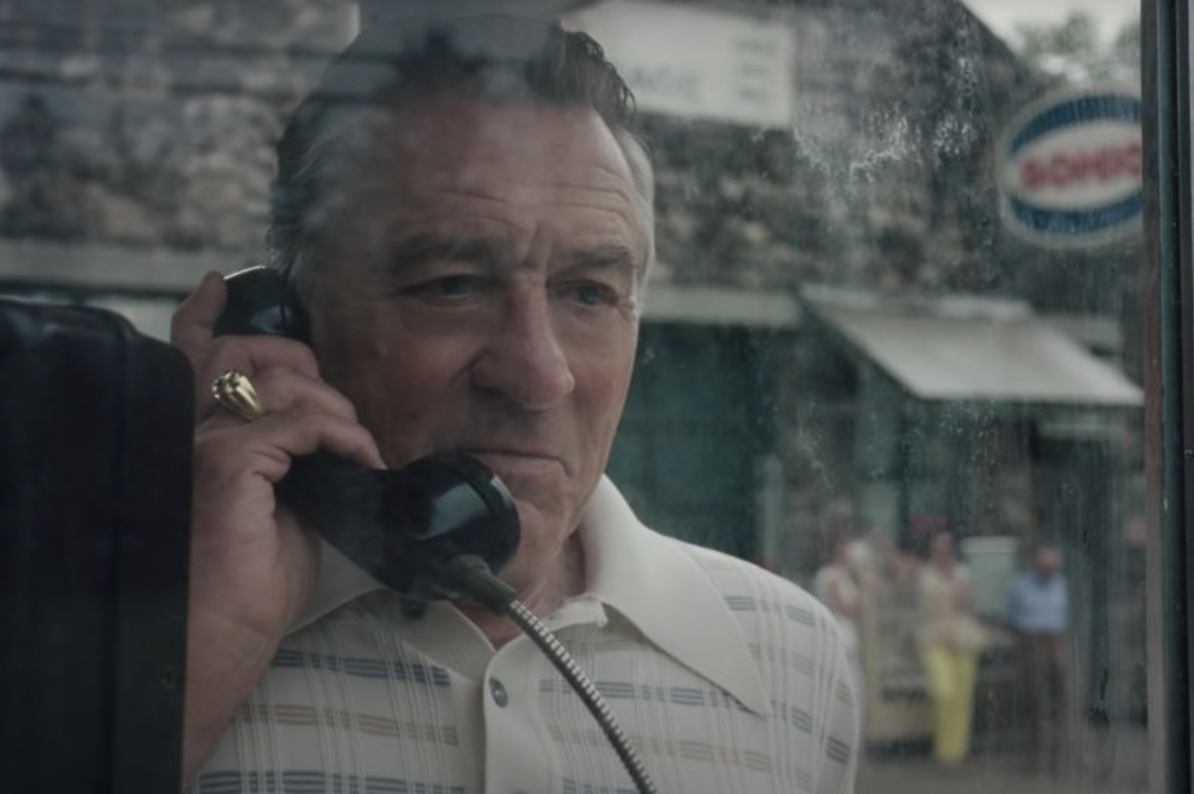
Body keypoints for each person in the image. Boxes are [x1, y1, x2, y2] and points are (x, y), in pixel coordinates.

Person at [170, 16, 858, 794]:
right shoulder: (163, 647)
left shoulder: (787, 658)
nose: (540, 376)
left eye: (589, 293)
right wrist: (200, 661)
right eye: (452, 286)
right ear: (287, 324)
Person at [917, 530, 987, 768]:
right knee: (944, 692)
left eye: (946, 550)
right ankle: (943, 750)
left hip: (961, 637)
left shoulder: (962, 573)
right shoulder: (925, 575)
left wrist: (960, 587)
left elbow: (969, 604)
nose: (943, 555)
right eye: (938, 550)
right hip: (935, 638)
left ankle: (956, 753)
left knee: (962, 698)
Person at [1005, 544, 1069, 774]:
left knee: (1062, 694)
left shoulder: (1060, 583)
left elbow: (1063, 613)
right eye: (1043, 566)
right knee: (1034, 697)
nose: (1047, 571)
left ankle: (1061, 748)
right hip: (1030, 640)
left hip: (1055, 638)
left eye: (1051, 567)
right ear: (1035, 566)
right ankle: (1035, 751)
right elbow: (1010, 615)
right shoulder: (1020, 585)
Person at [813, 529, 866, 720]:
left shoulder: (845, 576)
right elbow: (846, 607)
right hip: (839, 639)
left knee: (856, 693)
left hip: (850, 640)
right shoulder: (830, 575)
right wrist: (864, 589)